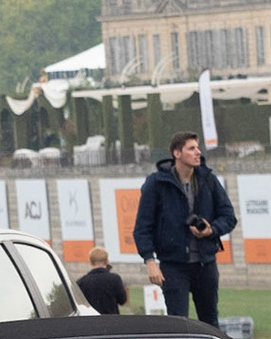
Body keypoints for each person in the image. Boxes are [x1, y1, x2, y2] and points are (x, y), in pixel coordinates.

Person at [134, 131, 236, 326]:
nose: (198, 152)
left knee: (210, 323)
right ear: (177, 153)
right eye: (191, 148)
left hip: (206, 264)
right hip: (173, 265)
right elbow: (142, 227)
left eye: (198, 148)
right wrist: (150, 261)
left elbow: (229, 217)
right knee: (178, 323)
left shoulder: (208, 180)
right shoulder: (156, 183)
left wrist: (211, 229)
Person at [76, 245, 128, 315]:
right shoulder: (115, 279)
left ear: (91, 262)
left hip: (90, 322)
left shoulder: (81, 282)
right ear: (107, 261)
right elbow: (122, 301)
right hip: (112, 321)